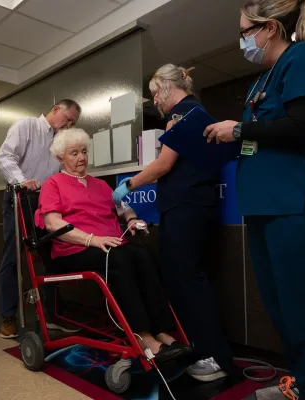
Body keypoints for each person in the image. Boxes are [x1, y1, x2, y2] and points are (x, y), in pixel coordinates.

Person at [204, 0, 305, 397]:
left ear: (269, 28)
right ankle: (303, 383)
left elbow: (304, 124)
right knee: (281, 308)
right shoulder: (261, 81)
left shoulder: (302, 56)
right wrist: (230, 137)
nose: (242, 41)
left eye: (244, 31)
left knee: (301, 306)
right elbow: (258, 136)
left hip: (289, 204)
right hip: (262, 206)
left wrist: (240, 131)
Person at [112, 64, 236, 382]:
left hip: (186, 208)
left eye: (155, 93)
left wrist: (128, 185)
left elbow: (164, 164)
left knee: (189, 282)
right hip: (193, 207)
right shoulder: (197, 113)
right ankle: (205, 349)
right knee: (186, 280)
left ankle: (216, 357)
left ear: (168, 87)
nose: (155, 101)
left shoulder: (183, 114)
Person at [34, 128, 192, 363]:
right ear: (60, 157)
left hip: (110, 245)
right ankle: (143, 336)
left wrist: (131, 219)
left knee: (143, 255)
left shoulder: (100, 185)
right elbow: (52, 223)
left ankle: (161, 330)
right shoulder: (53, 184)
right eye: (74, 153)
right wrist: (92, 239)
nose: (81, 158)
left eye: (84, 152)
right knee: (121, 259)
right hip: (74, 249)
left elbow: (122, 207)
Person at [0, 99, 82, 339]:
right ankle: (8, 317)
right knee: (13, 258)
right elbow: (4, 158)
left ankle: (52, 315)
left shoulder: (61, 141)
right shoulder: (26, 127)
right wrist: (22, 180)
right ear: (55, 109)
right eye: (67, 119)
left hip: (45, 203)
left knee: (51, 257)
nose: (68, 125)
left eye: (72, 123)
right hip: (18, 197)